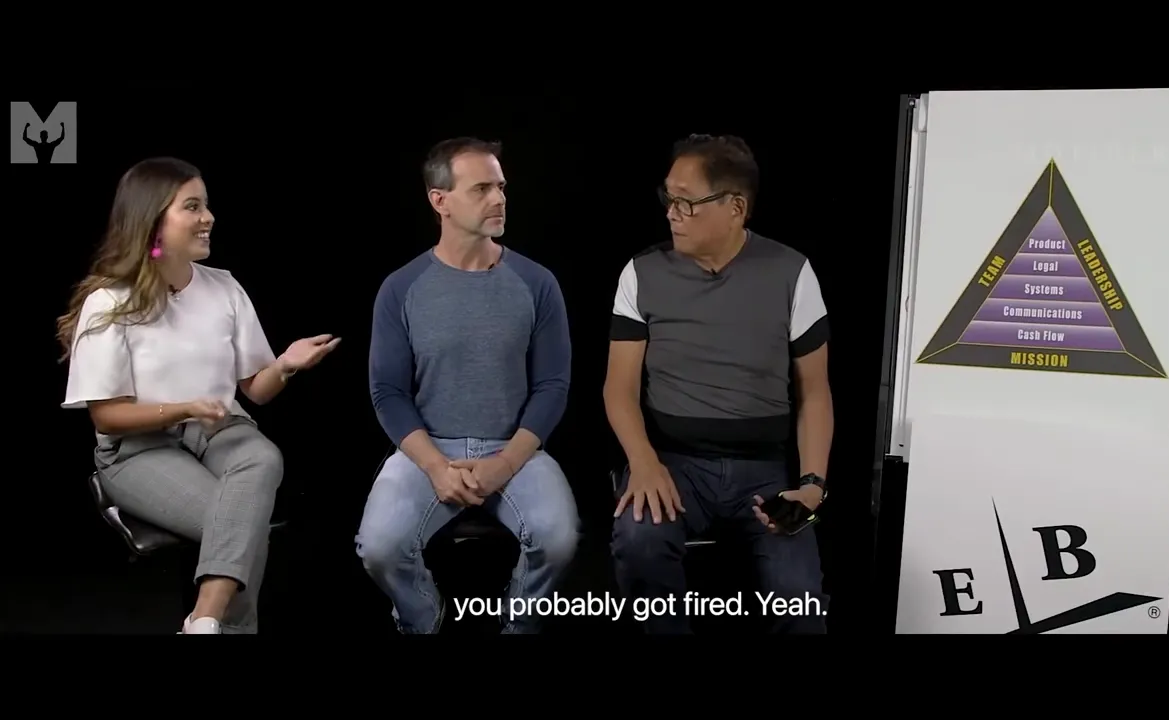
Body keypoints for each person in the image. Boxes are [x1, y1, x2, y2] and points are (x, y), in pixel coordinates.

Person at [58, 157, 340, 635]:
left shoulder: (224, 288)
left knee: (262, 458)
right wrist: (186, 407)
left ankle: (202, 622)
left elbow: (257, 390)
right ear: (153, 220)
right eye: (193, 206)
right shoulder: (110, 302)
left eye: (206, 205)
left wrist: (285, 365)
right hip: (138, 449)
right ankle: (218, 627)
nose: (208, 217)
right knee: (238, 520)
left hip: (218, 432)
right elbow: (107, 417)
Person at [605, 134, 833, 634]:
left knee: (800, 603)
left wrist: (811, 488)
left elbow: (815, 393)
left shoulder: (792, 273)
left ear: (736, 208)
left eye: (687, 202)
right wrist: (643, 465)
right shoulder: (641, 273)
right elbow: (617, 389)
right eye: (669, 198)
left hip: (764, 472)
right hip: (673, 463)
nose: (672, 213)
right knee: (640, 543)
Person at [357, 137, 579, 635]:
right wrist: (435, 466)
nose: (499, 199)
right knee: (380, 548)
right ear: (441, 201)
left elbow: (552, 386)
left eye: (501, 187)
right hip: (428, 450)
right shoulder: (402, 288)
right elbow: (388, 392)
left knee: (559, 539)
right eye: (482, 189)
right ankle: (421, 617)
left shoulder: (537, 282)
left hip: (514, 448)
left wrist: (505, 462)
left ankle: (519, 622)